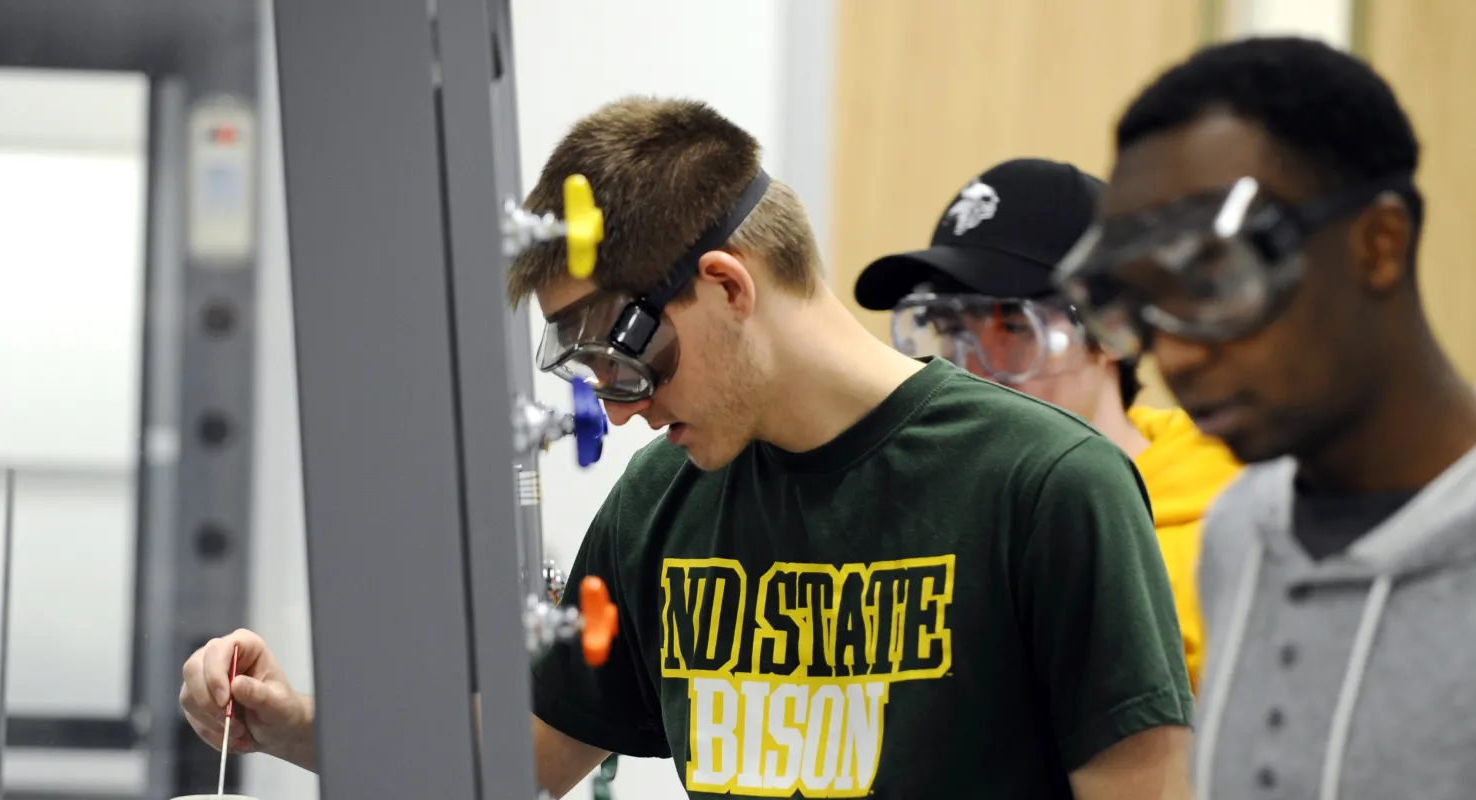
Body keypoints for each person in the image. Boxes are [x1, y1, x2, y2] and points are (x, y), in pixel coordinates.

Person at [181, 97, 1195, 799]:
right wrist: (286, 723)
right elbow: (519, 758)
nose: (620, 411)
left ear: (726, 284)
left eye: (631, 360)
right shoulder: (660, 501)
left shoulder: (1047, 487)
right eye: (591, 377)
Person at [1053, 36, 1476, 800]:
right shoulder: (1240, 529)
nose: (1174, 357)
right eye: (1141, 303)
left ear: (1378, 244)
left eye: (1213, 278)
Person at [853, 157, 1242, 693]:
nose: (969, 364)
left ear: (1115, 330)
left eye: (1013, 325)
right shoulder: (916, 511)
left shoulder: (1227, 529)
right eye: (948, 327)